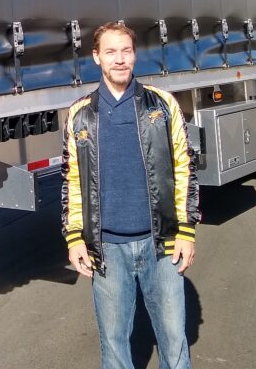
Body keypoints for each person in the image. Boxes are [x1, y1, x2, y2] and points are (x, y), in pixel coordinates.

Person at [61, 21, 200, 369]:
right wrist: (75, 239)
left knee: (174, 344)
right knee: (114, 346)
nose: (119, 59)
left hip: (161, 245)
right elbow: (72, 183)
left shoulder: (163, 105)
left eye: (126, 51)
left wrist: (185, 230)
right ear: (96, 57)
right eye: (110, 51)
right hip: (107, 250)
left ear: (135, 55)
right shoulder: (80, 116)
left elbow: (184, 170)